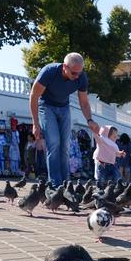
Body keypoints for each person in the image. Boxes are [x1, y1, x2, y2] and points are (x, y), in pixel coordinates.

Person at [29, 52, 99, 186]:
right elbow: (34, 96)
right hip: (46, 106)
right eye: (74, 73)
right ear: (64, 67)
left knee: (65, 145)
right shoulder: (49, 72)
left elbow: (84, 102)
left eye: (79, 73)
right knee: (54, 142)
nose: (77, 76)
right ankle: (56, 184)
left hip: (64, 107)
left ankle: (65, 182)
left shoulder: (81, 77)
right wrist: (35, 123)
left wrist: (89, 120)